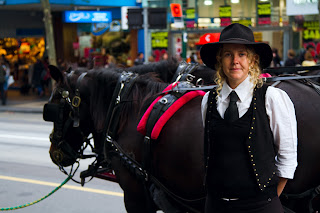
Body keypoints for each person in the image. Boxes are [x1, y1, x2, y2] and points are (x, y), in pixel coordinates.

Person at [200, 23, 298, 213]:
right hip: (216, 206)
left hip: (260, 206)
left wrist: (268, 201)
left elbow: (287, 157)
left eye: (242, 54)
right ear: (220, 60)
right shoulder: (208, 100)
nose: (235, 61)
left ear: (253, 60)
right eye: (228, 54)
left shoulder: (272, 98)